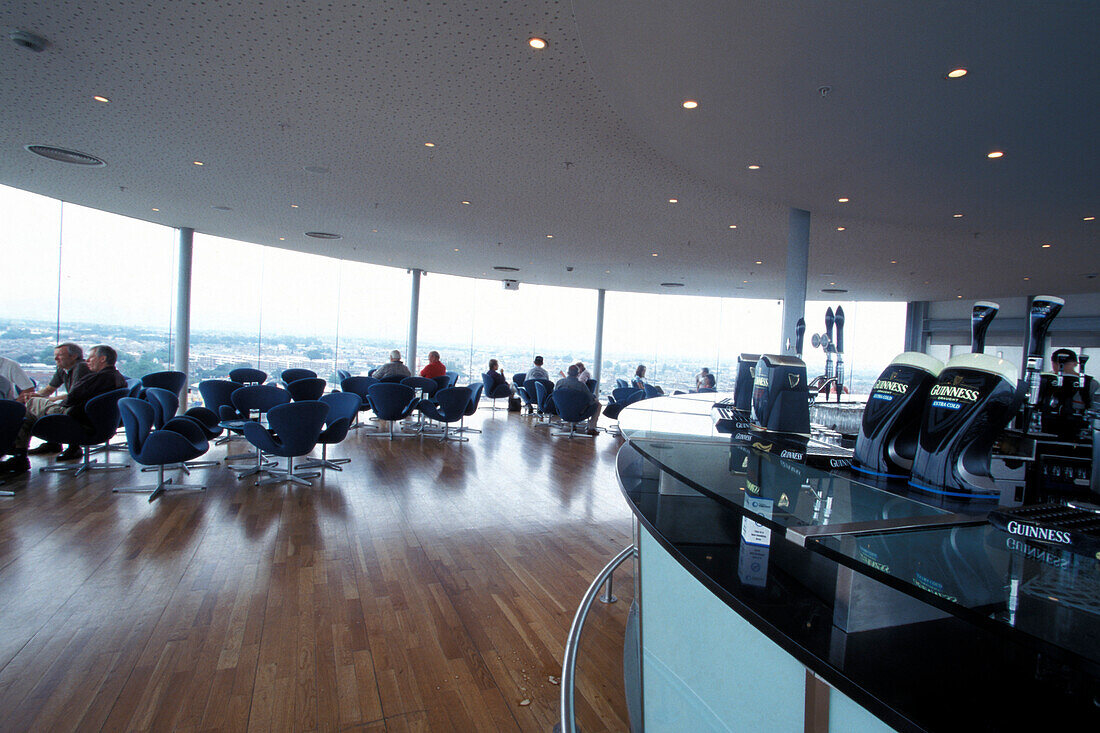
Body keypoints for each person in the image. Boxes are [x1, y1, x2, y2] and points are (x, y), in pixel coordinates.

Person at [0, 344, 128, 476]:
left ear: (102, 359)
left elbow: (72, 398)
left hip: (74, 418)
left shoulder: (96, 376)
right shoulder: (115, 377)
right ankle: (20, 455)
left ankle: (17, 453)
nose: (87, 360)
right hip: (92, 420)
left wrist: (51, 402)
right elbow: (60, 392)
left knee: (30, 403)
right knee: (27, 417)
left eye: (91, 358)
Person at [21, 343, 90, 457]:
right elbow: (49, 389)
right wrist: (35, 395)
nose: (55, 358)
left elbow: (74, 395)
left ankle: (20, 453)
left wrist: (46, 400)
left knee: (30, 405)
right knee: (31, 405)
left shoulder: (81, 368)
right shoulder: (62, 368)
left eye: (60, 355)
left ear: (74, 356)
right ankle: (52, 442)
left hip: (76, 409)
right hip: (70, 406)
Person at [554, 364, 602, 434]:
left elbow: (555, 397)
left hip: (562, 412)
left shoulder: (559, 383)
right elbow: (591, 400)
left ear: (567, 373)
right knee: (598, 405)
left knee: (570, 402)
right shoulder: (581, 385)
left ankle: (572, 425)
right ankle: (591, 428)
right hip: (578, 413)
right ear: (578, 373)